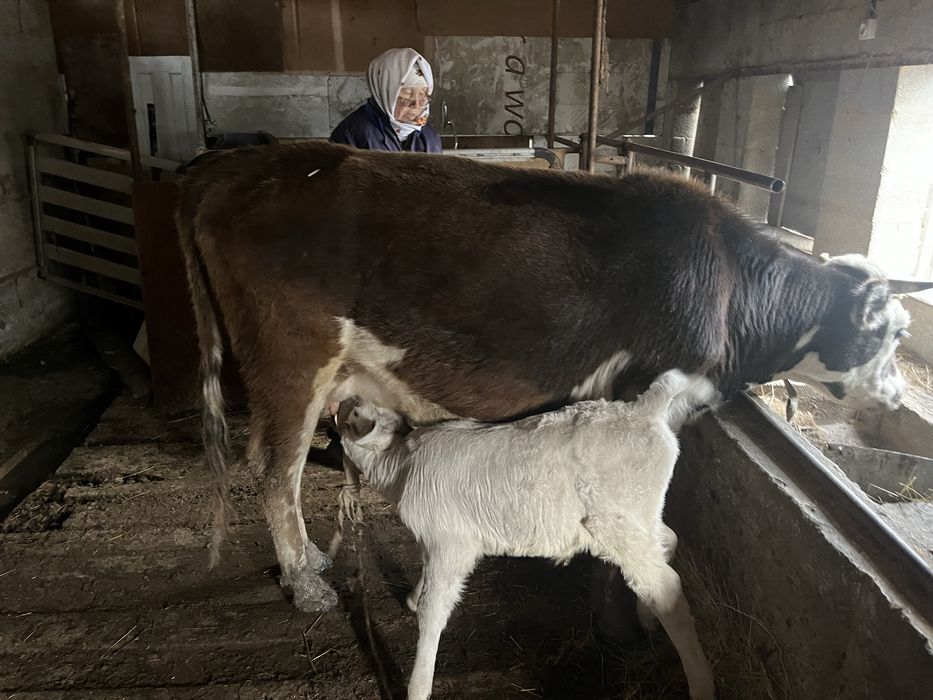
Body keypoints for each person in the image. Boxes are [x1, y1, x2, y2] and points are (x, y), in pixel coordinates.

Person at [331, 47, 442, 153]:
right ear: (385, 92)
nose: (417, 106)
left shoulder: (429, 136)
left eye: (423, 96)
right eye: (407, 95)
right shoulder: (353, 133)